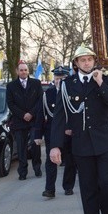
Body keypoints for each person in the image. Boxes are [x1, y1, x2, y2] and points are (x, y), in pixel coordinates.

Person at [49, 45, 108, 214]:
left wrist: (101, 84)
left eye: (89, 59)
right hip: (82, 144)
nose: (87, 63)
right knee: (88, 188)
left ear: (94, 61)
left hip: (105, 142)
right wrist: (55, 145)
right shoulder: (67, 85)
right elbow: (59, 117)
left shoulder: (104, 79)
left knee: (107, 185)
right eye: (83, 60)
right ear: (76, 64)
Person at [34, 65, 77, 198]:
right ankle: (50, 189)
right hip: (51, 133)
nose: (59, 81)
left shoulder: (73, 92)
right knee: (51, 160)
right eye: (57, 78)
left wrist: (72, 128)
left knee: (70, 161)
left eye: (62, 78)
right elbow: (40, 115)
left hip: (69, 133)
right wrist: (37, 134)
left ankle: (68, 186)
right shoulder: (48, 94)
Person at [6, 60, 43, 180]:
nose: (24, 72)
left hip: (34, 120)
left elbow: (40, 100)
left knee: (35, 144)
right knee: (21, 148)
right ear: (17, 71)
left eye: (26, 70)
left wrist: (31, 113)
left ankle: (37, 168)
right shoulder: (11, 86)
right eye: (21, 70)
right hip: (19, 121)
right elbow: (10, 104)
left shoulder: (36, 83)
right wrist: (23, 114)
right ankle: (22, 172)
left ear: (28, 71)